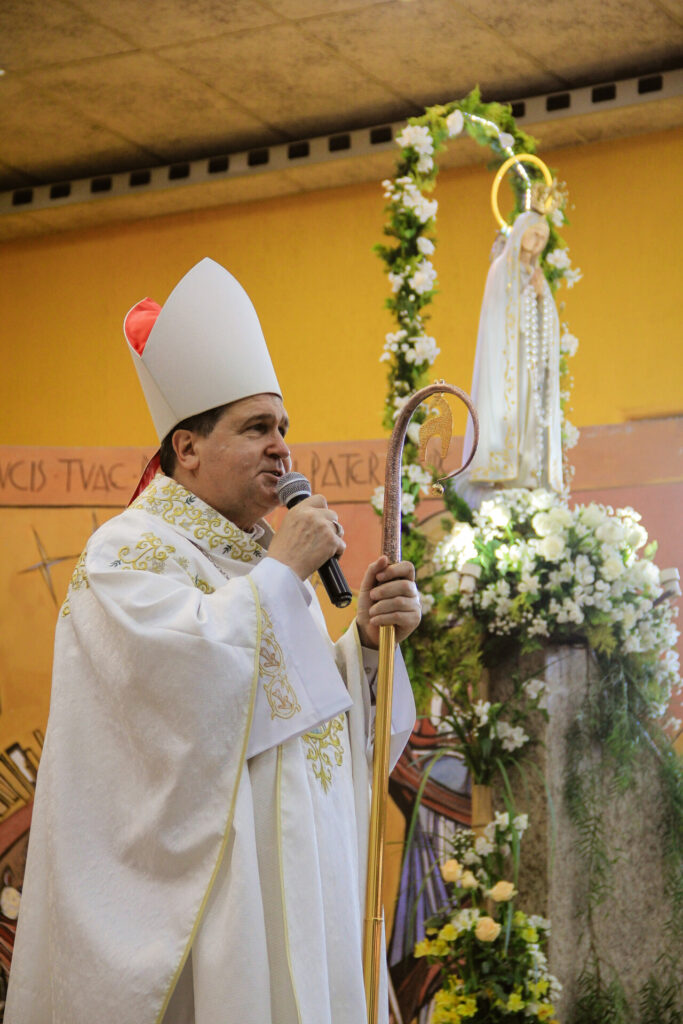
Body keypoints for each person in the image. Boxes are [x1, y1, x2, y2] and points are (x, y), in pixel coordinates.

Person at [5, 258, 419, 1024]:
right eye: (256, 428)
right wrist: (282, 572)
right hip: (220, 909)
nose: (282, 449)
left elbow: (297, 721)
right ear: (187, 449)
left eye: (283, 429)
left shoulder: (263, 563)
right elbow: (184, 700)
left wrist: (363, 647)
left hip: (306, 882)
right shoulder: (127, 553)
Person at [457, 209, 563, 507]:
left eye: (543, 237)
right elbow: (498, 317)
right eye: (534, 233)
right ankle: (503, 476)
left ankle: (529, 477)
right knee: (510, 413)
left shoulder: (537, 275)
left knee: (531, 417)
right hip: (508, 363)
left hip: (532, 364)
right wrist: (529, 295)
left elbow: (550, 323)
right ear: (519, 233)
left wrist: (540, 296)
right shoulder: (501, 270)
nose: (538, 241)